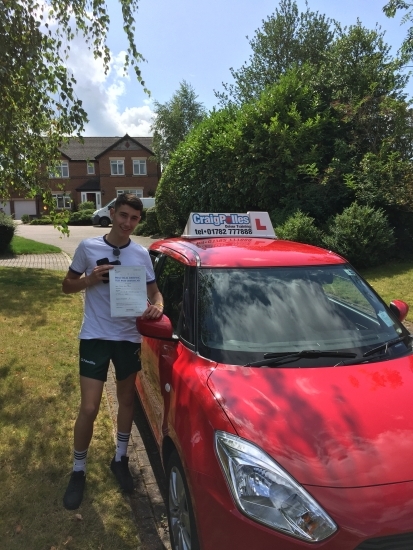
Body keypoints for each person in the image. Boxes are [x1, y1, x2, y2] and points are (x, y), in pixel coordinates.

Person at [61, 193, 163, 510]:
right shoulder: (88, 248)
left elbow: (155, 293)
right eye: (123, 215)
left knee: (127, 401)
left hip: (128, 338)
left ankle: (120, 458)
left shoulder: (142, 254)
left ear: (138, 221)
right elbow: (67, 285)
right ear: (112, 212)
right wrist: (89, 279)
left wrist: (157, 308)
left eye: (134, 218)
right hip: (95, 336)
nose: (127, 223)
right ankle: (78, 470)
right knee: (89, 408)